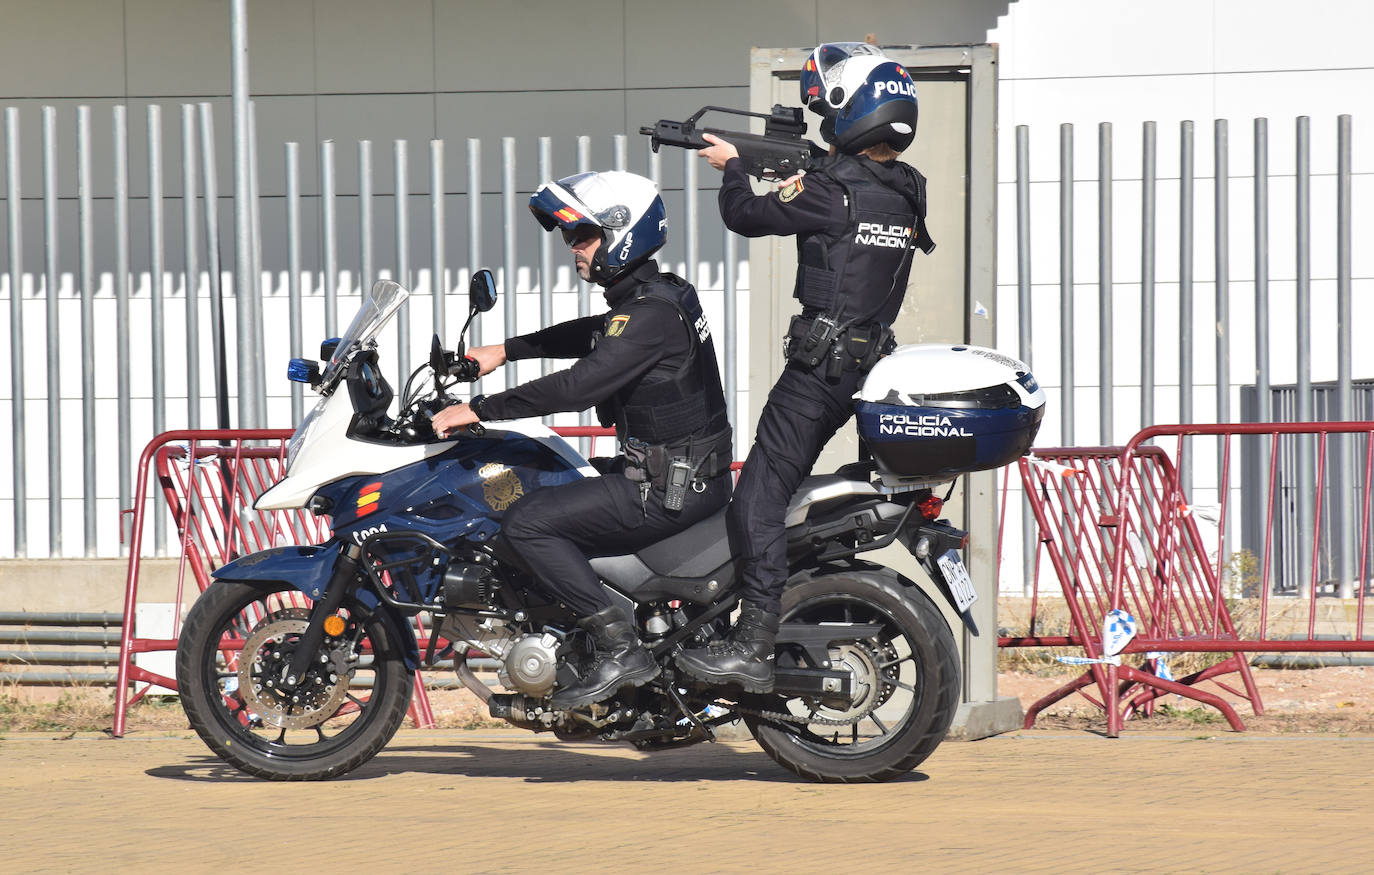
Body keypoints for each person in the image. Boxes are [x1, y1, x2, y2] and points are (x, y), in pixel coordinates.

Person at [675, 43, 935, 693]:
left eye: (829, 108)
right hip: (868, 364)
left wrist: (733, 167)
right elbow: (849, 185)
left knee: (756, 501)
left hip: (818, 370)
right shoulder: (907, 188)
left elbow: (744, 213)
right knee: (784, 489)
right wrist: (804, 163)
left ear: (850, 113)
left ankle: (754, 641)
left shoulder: (828, 191)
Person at [432, 170, 733, 708]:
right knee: (556, 476)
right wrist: (505, 349)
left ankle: (620, 645)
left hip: (667, 490)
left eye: (584, 236)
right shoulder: (660, 297)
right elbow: (596, 332)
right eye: (572, 237)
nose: (573, 248)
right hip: (677, 476)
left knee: (527, 523)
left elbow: (580, 385)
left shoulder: (650, 315)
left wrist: (477, 411)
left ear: (624, 233)